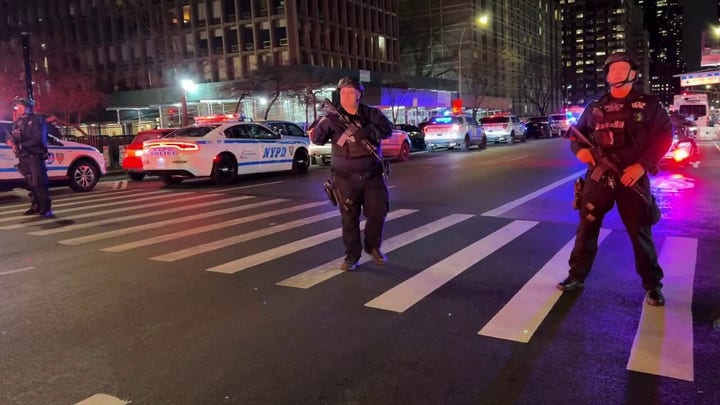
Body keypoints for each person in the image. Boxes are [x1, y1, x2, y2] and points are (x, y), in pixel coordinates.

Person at [557, 52, 673, 306]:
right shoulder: (595, 106)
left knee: (639, 232)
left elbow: (664, 137)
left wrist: (642, 166)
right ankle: (576, 275)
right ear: (607, 76)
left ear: (633, 74)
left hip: (631, 178)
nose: (617, 73)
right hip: (598, 178)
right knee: (586, 229)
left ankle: (653, 285)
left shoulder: (649, 104)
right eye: (613, 70)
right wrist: (582, 152)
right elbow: (577, 135)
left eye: (623, 68)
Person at [310, 77, 393, 270]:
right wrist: (325, 126)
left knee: (377, 213)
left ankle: (373, 247)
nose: (346, 96)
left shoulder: (371, 114)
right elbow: (316, 139)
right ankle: (351, 256)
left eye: (351, 92)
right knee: (349, 219)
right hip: (345, 178)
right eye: (343, 92)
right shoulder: (332, 118)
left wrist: (368, 131)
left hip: (371, 175)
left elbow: (387, 130)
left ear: (359, 94)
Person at [7, 97, 53, 217]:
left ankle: (45, 207)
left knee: (39, 182)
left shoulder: (37, 120)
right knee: (30, 183)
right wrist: (11, 141)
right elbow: (15, 137)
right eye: (16, 107)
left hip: (35, 155)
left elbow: (38, 138)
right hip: (23, 156)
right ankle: (35, 205)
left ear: (28, 107)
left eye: (20, 107)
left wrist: (22, 144)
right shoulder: (17, 122)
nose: (17, 109)